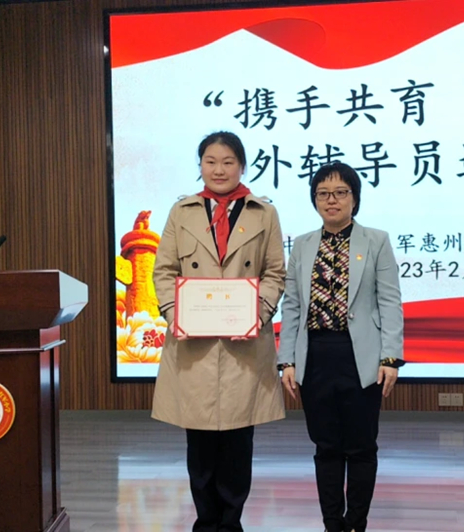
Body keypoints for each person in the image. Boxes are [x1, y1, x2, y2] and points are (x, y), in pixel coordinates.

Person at [152, 131, 286, 532]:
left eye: (228, 162)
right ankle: (205, 522)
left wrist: (257, 313)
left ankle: (231, 523)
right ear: (200, 166)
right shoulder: (182, 212)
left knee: (238, 445)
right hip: (194, 346)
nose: (219, 169)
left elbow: (275, 273)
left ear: (242, 166)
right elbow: (164, 271)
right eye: (210, 161)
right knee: (200, 445)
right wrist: (175, 313)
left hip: (244, 346)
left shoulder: (264, 213)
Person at [277, 161, 404, 532]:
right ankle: (332, 523)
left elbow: (389, 301)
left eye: (340, 193)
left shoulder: (376, 240)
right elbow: (292, 306)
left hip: (360, 357)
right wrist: (287, 360)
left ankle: (356, 522)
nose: (331, 200)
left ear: (355, 198)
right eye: (323, 193)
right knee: (326, 446)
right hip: (315, 356)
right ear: (314, 200)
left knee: (361, 446)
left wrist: (390, 357)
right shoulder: (302, 245)